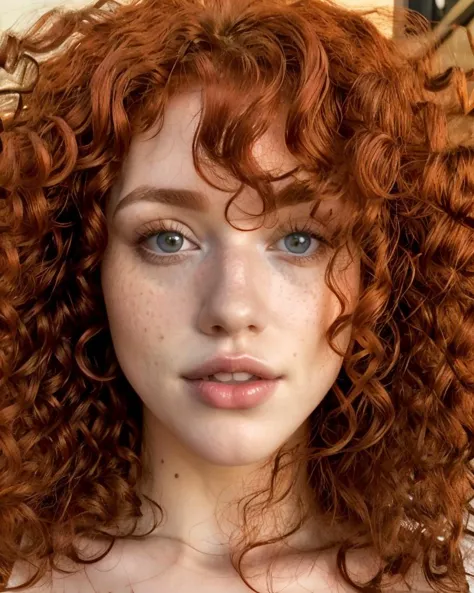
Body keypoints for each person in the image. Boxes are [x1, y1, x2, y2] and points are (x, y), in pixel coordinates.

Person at [0, 0, 473, 591]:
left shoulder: (441, 579)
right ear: (79, 266)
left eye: (301, 239)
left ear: (380, 276)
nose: (232, 309)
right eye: (168, 238)